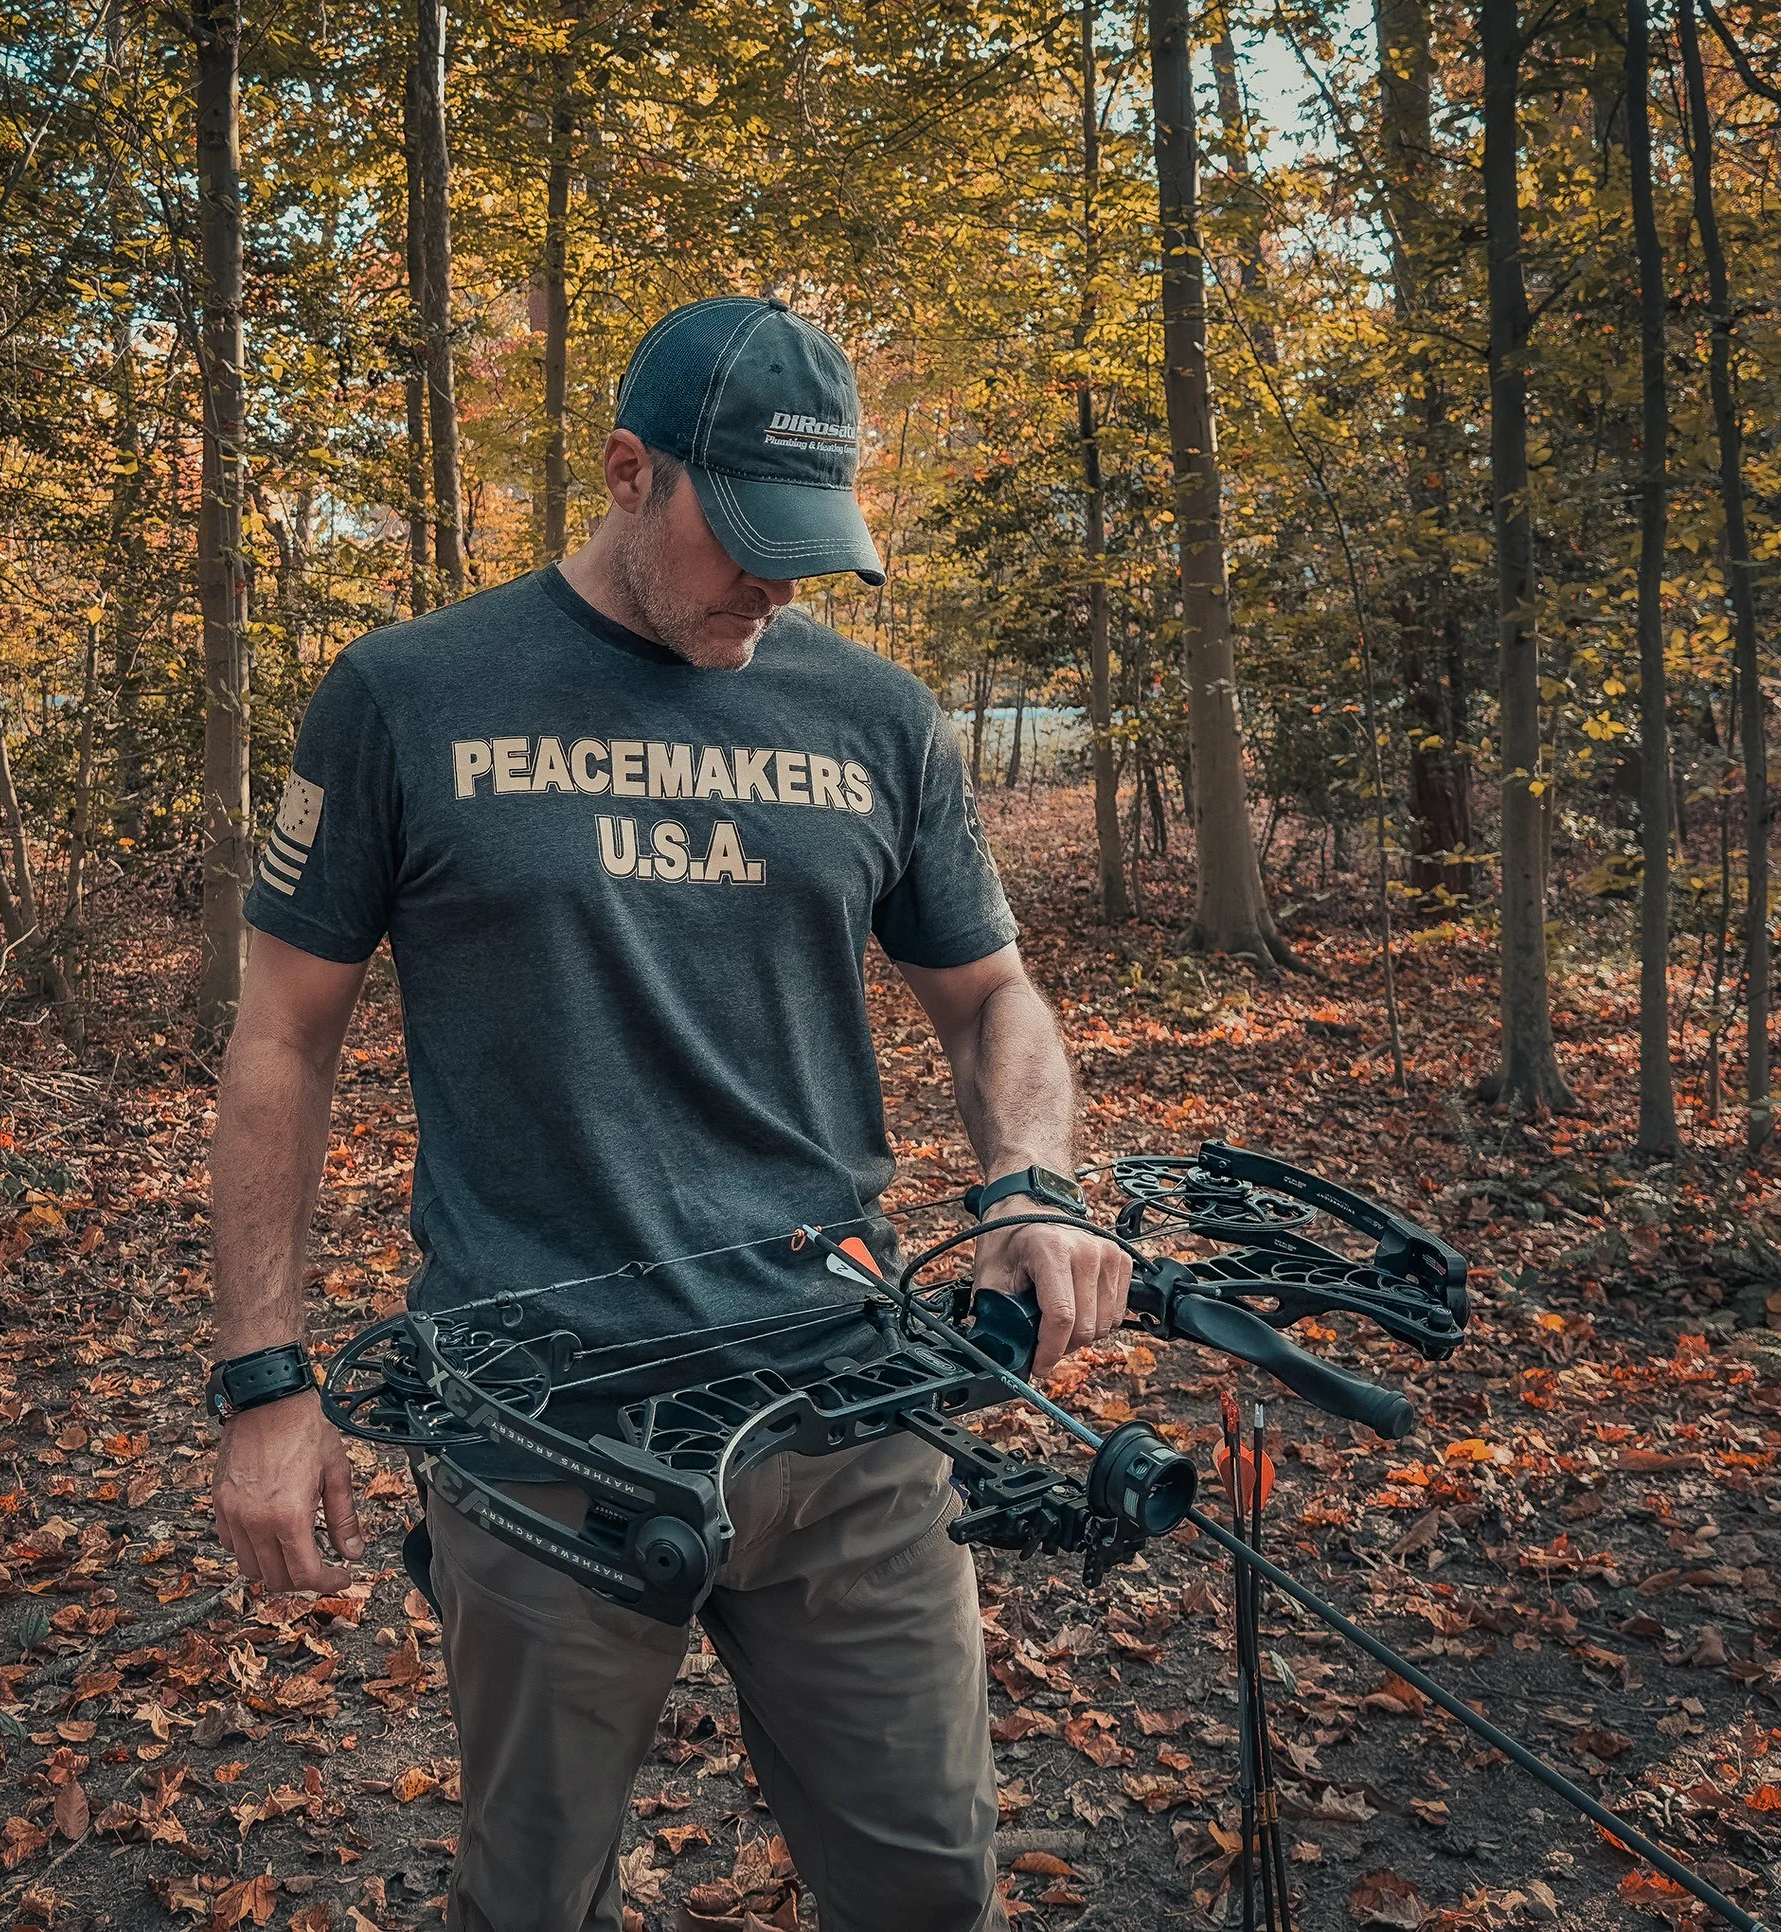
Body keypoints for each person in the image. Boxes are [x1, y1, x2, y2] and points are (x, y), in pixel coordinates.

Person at [205, 295, 1130, 1932]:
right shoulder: (407, 695)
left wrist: (1034, 1178)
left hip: (852, 1419)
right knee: (533, 1893)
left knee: (931, 1886)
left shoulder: (876, 718)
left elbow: (995, 997)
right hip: (541, 1436)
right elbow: (281, 1036)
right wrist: (267, 1387)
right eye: (750, 540)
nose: (776, 586)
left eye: (814, 546)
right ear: (629, 473)